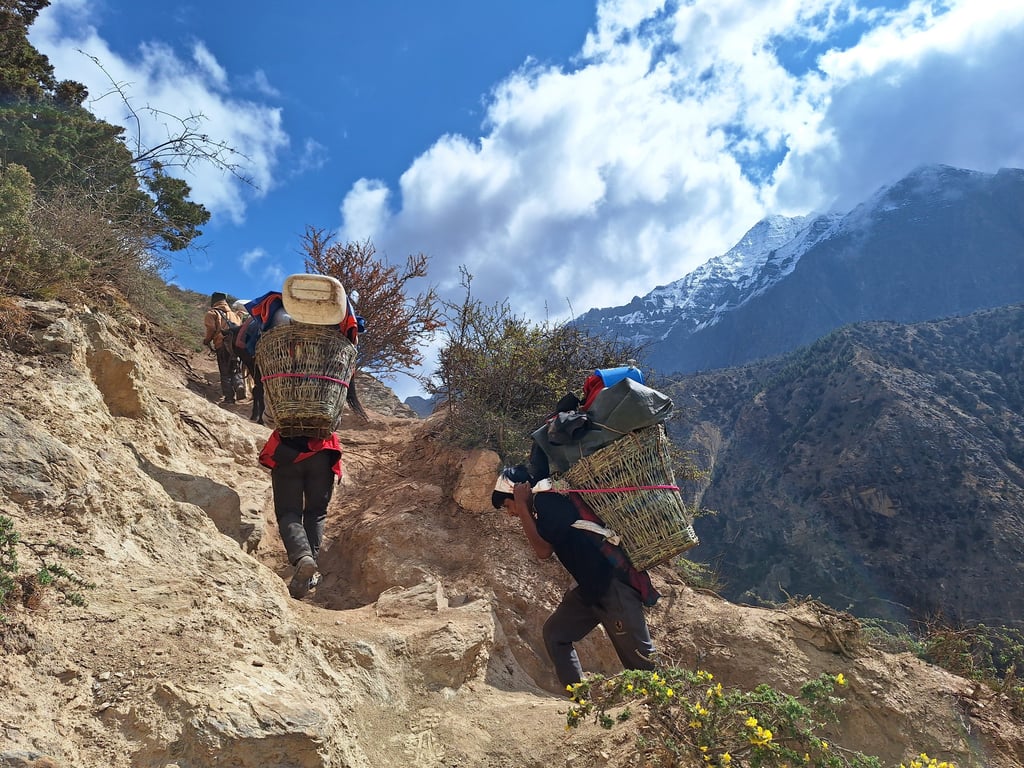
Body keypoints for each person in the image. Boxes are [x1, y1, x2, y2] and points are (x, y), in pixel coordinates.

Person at [493, 464, 660, 688]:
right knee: (556, 634)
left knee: (641, 659)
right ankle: (580, 700)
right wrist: (523, 507)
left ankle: (667, 709)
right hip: (591, 589)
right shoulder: (543, 504)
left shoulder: (547, 502)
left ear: (518, 493)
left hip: (613, 586)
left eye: (508, 504)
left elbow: (543, 551)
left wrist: (522, 507)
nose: (511, 512)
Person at [259, 429, 343, 598]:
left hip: (286, 452)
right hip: (323, 452)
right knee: (316, 513)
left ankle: (302, 557)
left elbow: (269, 418)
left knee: (288, 511)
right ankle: (309, 573)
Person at [202, 291, 244, 404]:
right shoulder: (235, 315)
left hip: (222, 344)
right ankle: (239, 385)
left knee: (225, 372)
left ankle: (229, 398)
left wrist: (206, 341)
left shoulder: (212, 313)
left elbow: (211, 329)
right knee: (235, 369)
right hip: (236, 347)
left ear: (214, 301)